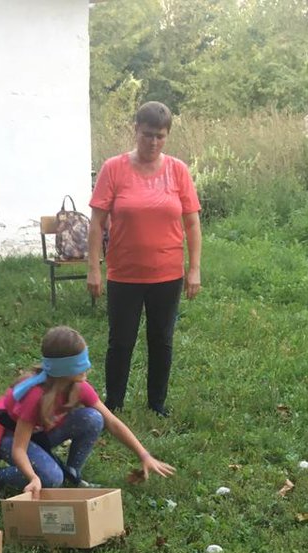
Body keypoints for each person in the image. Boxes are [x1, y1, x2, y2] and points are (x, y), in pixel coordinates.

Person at [87, 100, 201, 418]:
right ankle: (114, 403)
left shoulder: (178, 170)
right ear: (136, 130)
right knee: (120, 341)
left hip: (167, 274)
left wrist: (194, 270)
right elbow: (96, 222)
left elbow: (192, 223)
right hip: (124, 273)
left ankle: (156, 403)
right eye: (148, 134)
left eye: (160, 136)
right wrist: (94, 269)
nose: (153, 142)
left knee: (161, 340)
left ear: (167, 136)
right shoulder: (114, 168)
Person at [0, 325, 175, 496]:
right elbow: (19, 448)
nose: (87, 368)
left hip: (39, 434)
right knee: (52, 479)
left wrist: (144, 455)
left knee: (93, 418)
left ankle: (72, 472)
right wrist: (34, 477)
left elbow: (111, 422)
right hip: (9, 440)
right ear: (64, 369)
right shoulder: (35, 396)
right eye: (81, 364)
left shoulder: (79, 387)